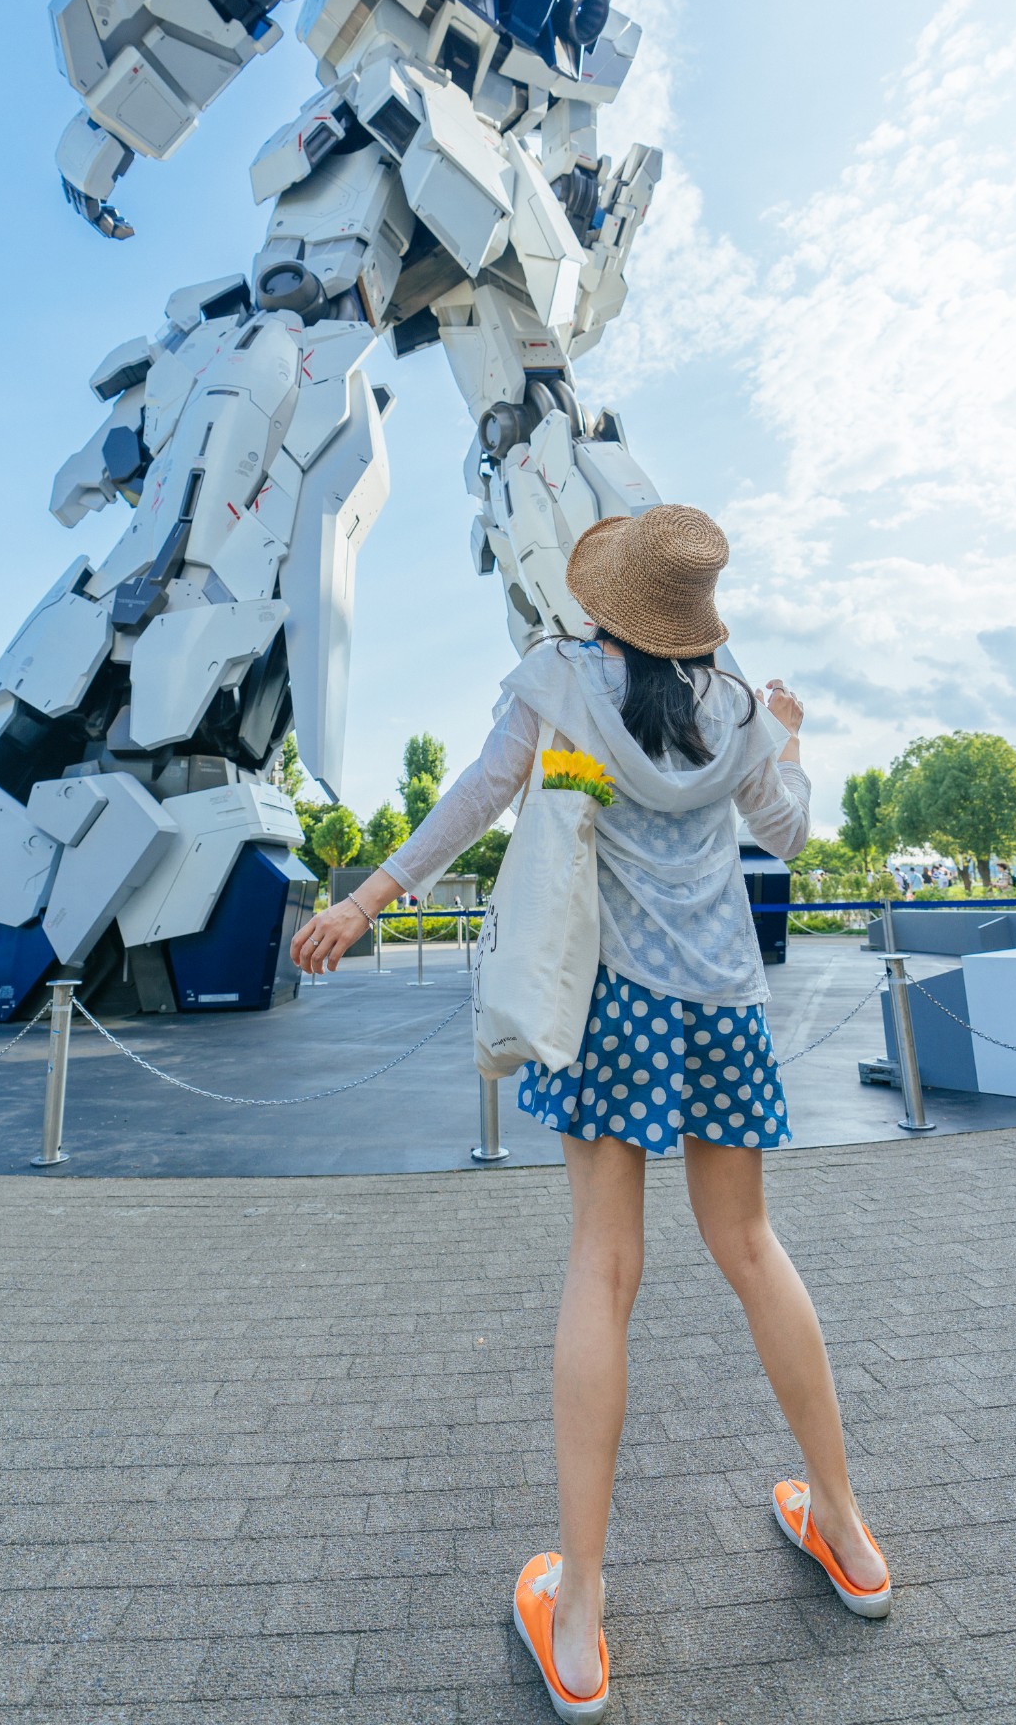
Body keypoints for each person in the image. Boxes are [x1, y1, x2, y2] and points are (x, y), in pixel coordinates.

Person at [291, 505, 890, 1721]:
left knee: (604, 1264)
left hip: (614, 1001)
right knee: (752, 1247)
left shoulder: (563, 681)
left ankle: (579, 1612)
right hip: (725, 1004)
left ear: (609, 599)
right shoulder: (733, 709)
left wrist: (365, 900)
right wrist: (786, 734)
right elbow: (790, 831)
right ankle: (849, 1530)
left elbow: (477, 795)